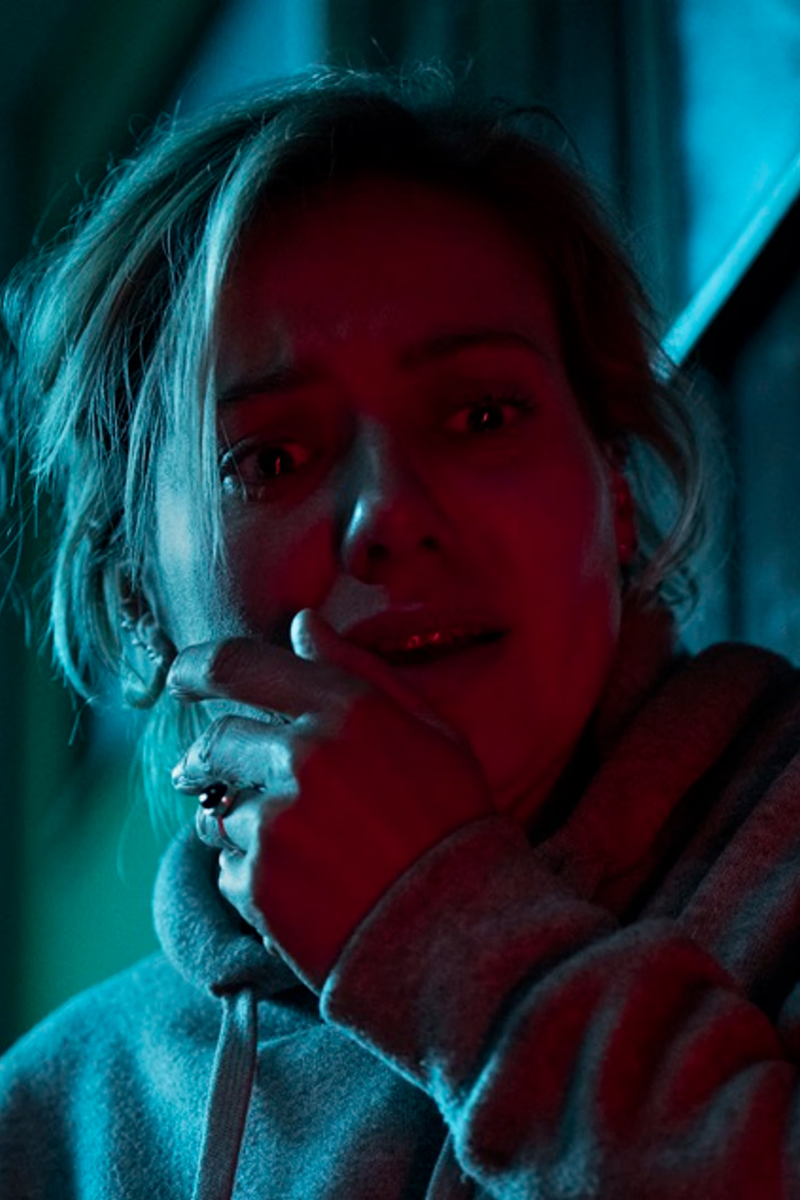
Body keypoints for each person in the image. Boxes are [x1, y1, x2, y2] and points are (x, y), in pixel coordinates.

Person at [1, 61, 799, 1200]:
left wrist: (444, 935)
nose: (389, 514)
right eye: (270, 458)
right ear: (139, 598)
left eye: (481, 413)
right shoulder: (48, 1122)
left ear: (615, 487)